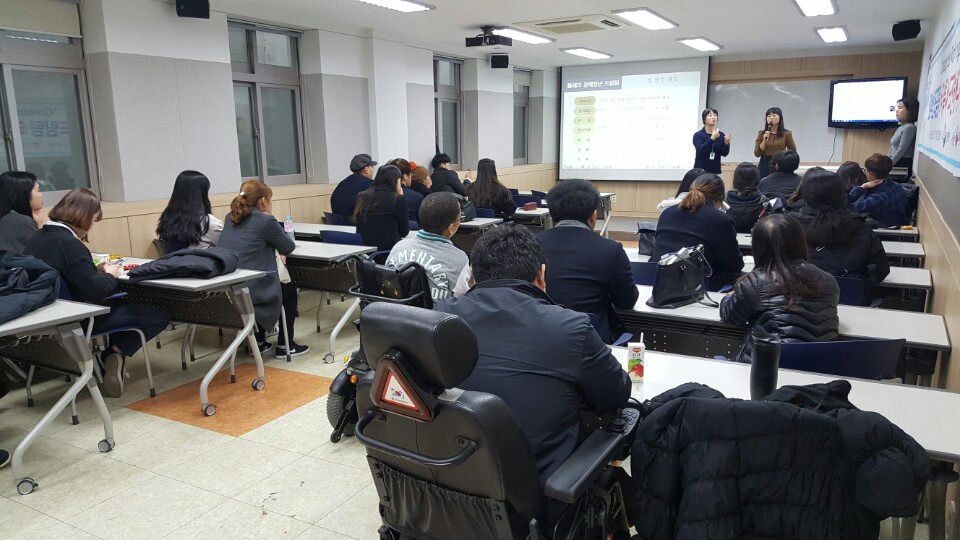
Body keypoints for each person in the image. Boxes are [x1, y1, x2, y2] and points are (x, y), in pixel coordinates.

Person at [434, 224, 631, 482]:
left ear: (474, 276)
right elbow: (616, 394)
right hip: (538, 488)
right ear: (542, 274)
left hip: (453, 473)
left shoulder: (440, 317)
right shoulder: (571, 328)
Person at [24, 189, 171, 397]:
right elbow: (99, 291)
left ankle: (111, 358)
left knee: (125, 304)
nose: (92, 226)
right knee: (159, 314)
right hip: (80, 321)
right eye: (94, 219)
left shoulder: (38, 237)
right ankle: (113, 353)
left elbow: (65, 274)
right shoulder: (70, 244)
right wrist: (111, 274)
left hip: (46, 317)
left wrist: (93, 270)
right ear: (84, 217)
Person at [720, 214, 839, 363]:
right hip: (820, 366)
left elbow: (729, 317)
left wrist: (730, 295)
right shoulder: (829, 280)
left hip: (767, 367)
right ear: (799, 241)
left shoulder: (755, 282)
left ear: (758, 247)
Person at [538, 179, 638, 343]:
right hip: (591, 343)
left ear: (552, 213)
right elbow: (626, 302)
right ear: (593, 215)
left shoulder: (530, 245)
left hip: (540, 338)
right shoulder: (610, 250)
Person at [218, 180, 307, 357]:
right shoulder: (265, 220)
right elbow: (288, 246)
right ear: (264, 201)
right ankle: (285, 345)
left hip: (231, 285)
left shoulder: (231, 216)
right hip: (254, 287)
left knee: (266, 283)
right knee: (289, 292)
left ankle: (259, 341)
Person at [788, 168, 889, 286]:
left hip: (797, 292)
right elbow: (881, 271)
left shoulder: (790, 227)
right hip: (848, 294)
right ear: (841, 193)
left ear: (805, 195)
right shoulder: (861, 227)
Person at [650, 174, 744, 277]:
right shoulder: (721, 220)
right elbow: (733, 266)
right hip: (697, 282)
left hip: (654, 278)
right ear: (720, 198)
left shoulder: (667, 213)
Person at [386, 192, 468, 301]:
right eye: (460, 218)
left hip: (391, 309)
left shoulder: (399, 247)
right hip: (434, 312)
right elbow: (463, 301)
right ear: (450, 228)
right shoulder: (459, 259)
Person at [156, 170, 223, 249]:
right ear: (202, 194)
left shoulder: (167, 219)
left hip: (176, 257)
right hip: (200, 257)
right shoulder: (211, 224)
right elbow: (229, 247)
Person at [355, 165, 410, 251]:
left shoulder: (362, 196)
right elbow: (404, 232)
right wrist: (400, 196)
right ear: (395, 181)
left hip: (365, 251)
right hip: (389, 252)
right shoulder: (398, 200)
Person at [848, 153, 908, 227]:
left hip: (883, 231)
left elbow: (846, 208)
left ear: (870, 174)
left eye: (865, 170)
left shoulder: (877, 198)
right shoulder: (897, 186)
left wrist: (861, 188)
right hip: (897, 226)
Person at [0, 171, 43, 254]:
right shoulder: (19, 222)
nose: (41, 195)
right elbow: (43, 254)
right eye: (38, 190)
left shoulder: (8, 218)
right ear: (23, 194)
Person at [330, 154, 376, 221]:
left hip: (338, 225)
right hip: (356, 225)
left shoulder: (343, 183)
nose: (373, 170)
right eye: (372, 167)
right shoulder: (369, 184)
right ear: (367, 170)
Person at [754, 107, 797, 178]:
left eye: (774, 115)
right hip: (765, 163)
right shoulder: (762, 133)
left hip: (780, 163)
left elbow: (793, 152)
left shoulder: (786, 134)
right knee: (764, 182)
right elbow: (757, 153)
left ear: (780, 118)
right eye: (768, 116)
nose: (771, 118)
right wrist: (764, 140)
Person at [725, 163, 767, 233]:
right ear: (757, 180)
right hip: (755, 238)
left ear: (735, 181)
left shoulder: (723, 201)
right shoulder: (765, 203)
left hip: (729, 238)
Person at [692, 108, 730, 174]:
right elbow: (700, 150)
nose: (713, 117)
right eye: (710, 115)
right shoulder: (698, 135)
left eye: (715, 115)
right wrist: (712, 139)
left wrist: (727, 143)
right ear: (704, 119)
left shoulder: (721, 135)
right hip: (700, 172)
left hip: (715, 172)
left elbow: (724, 154)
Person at [889, 98, 919, 179]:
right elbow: (892, 147)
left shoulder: (910, 127)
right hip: (894, 162)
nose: (896, 111)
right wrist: (886, 161)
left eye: (900, 108)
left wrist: (889, 165)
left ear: (909, 111)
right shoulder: (901, 127)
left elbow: (901, 150)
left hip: (901, 164)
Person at [388, 158, 423, 223]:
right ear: (405, 176)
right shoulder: (416, 197)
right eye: (410, 174)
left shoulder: (382, 195)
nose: (411, 177)